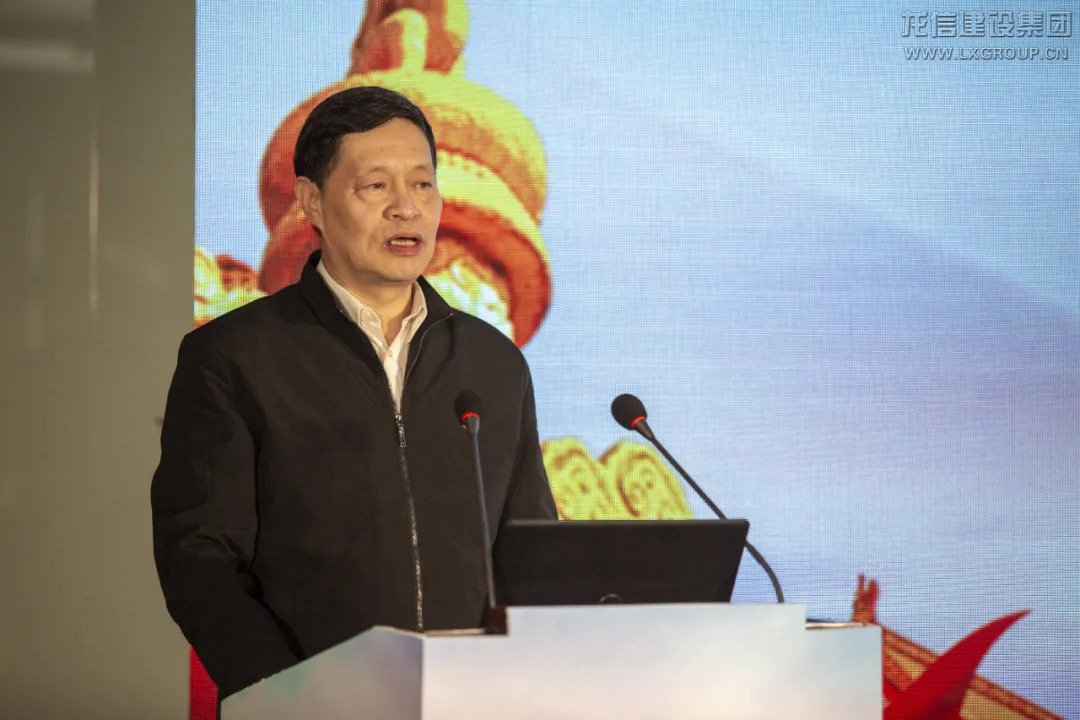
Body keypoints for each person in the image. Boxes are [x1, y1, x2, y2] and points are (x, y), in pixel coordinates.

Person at [151, 86, 556, 699]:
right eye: (376, 186)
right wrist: (284, 691)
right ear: (312, 201)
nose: (406, 209)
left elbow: (531, 556)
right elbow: (200, 557)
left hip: (473, 700)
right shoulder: (234, 357)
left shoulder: (493, 364)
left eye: (422, 184)